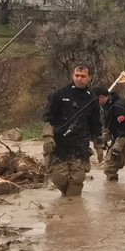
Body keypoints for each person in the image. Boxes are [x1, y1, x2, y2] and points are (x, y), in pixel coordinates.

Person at [42, 64, 103, 196]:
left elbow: (95, 124)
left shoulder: (92, 99)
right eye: (77, 75)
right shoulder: (59, 94)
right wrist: (47, 137)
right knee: (59, 177)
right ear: (72, 76)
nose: (79, 79)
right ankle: (66, 200)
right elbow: (47, 117)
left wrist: (99, 146)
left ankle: (72, 207)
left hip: (80, 145)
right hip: (59, 143)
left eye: (83, 76)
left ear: (89, 78)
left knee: (77, 179)